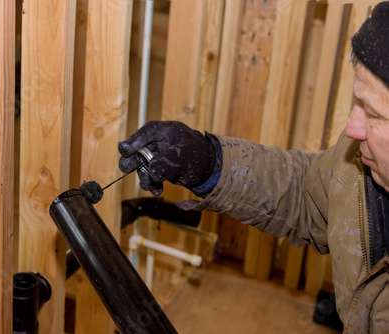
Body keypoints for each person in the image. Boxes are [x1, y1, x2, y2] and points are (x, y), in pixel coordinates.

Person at [118, 2, 389, 333]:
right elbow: (307, 193)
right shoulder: (358, 161)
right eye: (357, 102)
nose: (352, 129)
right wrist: (209, 162)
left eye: (374, 114)